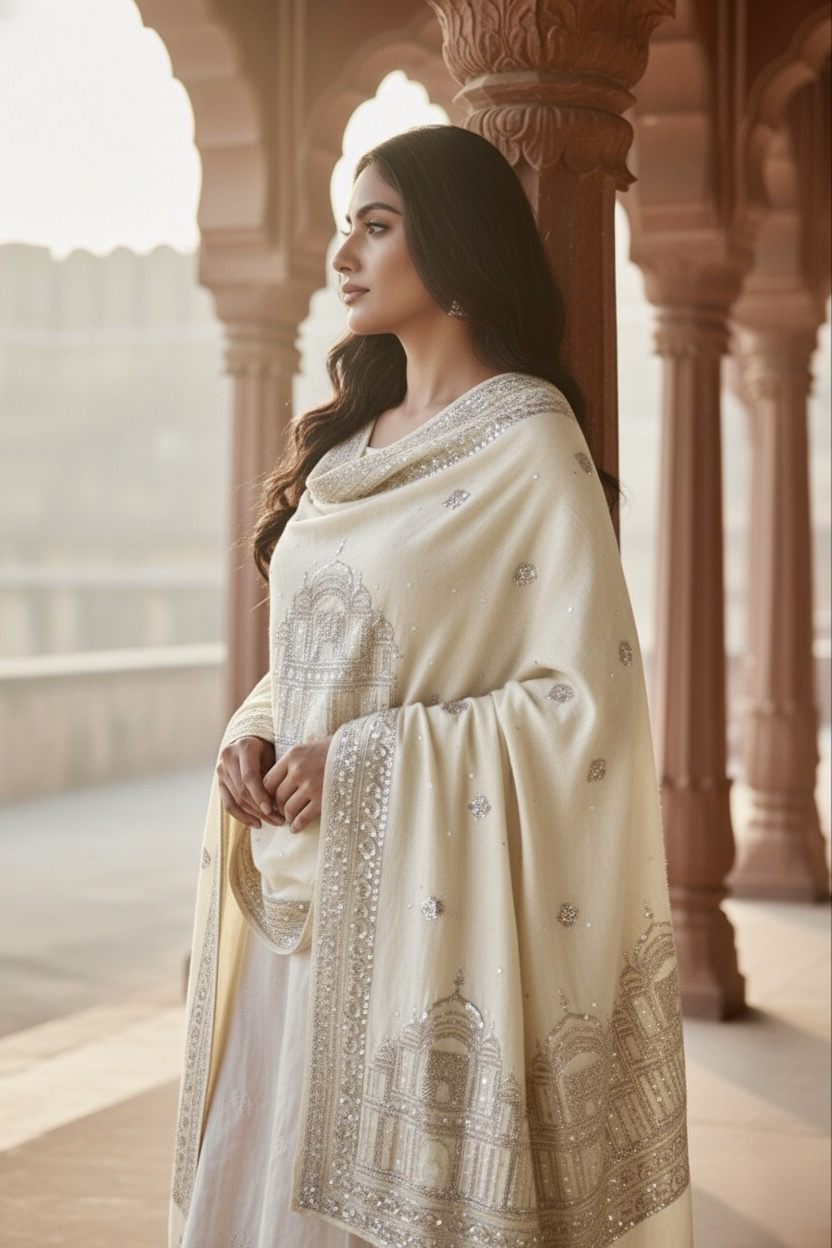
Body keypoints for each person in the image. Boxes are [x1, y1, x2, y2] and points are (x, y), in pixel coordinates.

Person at [170, 124, 693, 1248]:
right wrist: (255, 733)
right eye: (344, 226)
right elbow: (313, 659)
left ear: (453, 245)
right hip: (297, 912)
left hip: (418, 904)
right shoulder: (342, 451)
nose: (341, 255)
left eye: (375, 226)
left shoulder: (527, 442)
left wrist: (361, 760)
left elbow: (581, 707)